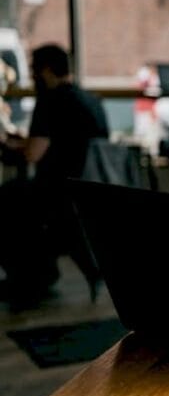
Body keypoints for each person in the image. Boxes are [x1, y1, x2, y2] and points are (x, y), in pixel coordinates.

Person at [0, 44, 109, 309]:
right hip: (94, 190)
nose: (33, 76)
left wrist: (6, 143)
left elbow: (32, 155)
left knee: (7, 198)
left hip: (58, 193)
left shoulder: (50, 101)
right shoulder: (90, 100)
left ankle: (30, 279)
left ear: (47, 71)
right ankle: (42, 272)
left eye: (35, 69)